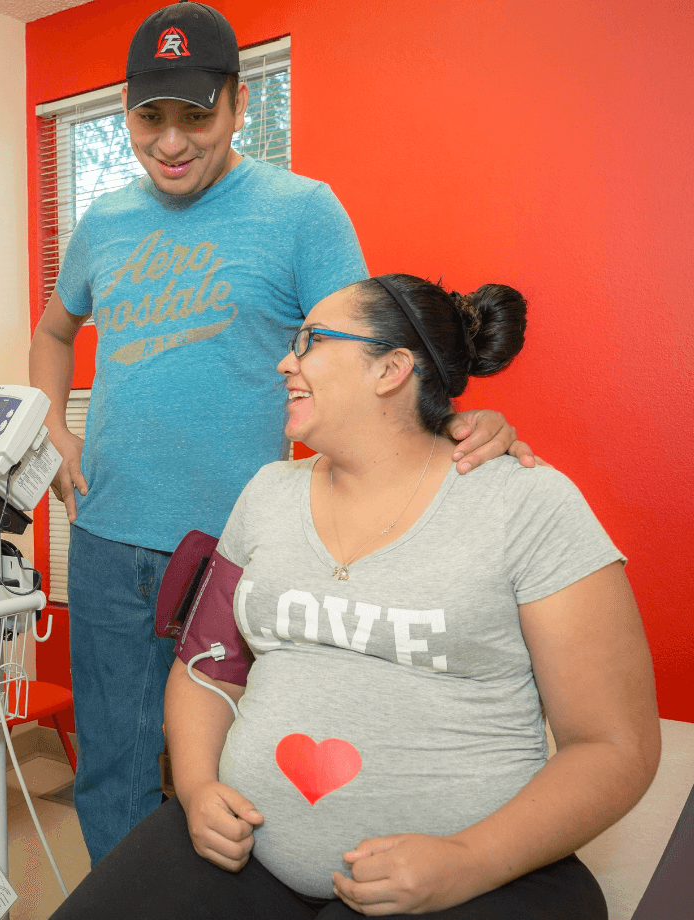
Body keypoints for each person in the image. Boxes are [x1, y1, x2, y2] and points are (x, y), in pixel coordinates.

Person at [28, 1, 536, 865]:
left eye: (196, 114)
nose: (172, 140)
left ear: (238, 104)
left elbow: (366, 347)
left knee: (232, 769)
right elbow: (51, 333)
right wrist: (53, 435)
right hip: (109, 534)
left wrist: (457, 424)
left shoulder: (302, 211)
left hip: (240, 545)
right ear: (127, 110)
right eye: (151, 116)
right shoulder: (103, 222)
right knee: (110, 764)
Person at [49, 273, 660, 919]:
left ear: (392, 368)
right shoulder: (267, 493)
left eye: (310, 341)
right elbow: (207, 672)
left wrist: (468, 861)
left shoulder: (527, 504)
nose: (286, 361)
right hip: (246, 856)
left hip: (473, 876)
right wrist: (199, 788)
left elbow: (612, 745)